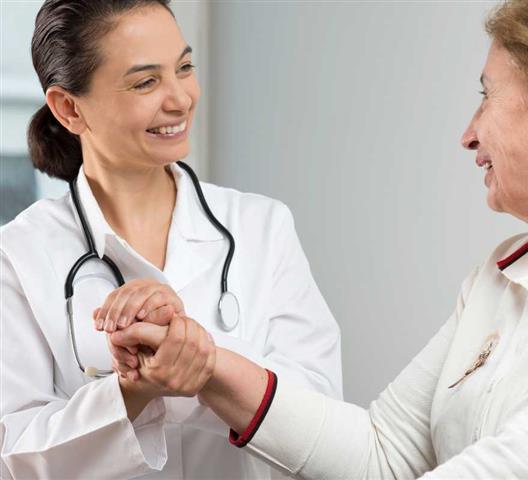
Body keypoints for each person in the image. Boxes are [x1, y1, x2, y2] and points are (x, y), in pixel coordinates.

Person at [109, 0, 528, 478]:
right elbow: (382, 452)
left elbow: (517, 466)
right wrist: (205, 363)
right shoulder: (499, 277)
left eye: (487, 96)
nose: (469, 134)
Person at [0, 1, 342, 478]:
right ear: (69, 108)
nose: (180, 99)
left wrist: (201, 357)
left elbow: (324, 424)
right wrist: (131, 391)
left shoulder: (262, 227)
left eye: (184, 68)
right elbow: (14, 455)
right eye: (146, 82)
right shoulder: (18, 256)